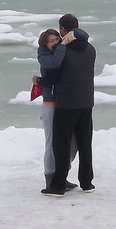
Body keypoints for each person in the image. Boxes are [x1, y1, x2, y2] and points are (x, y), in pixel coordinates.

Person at [43, 14, 97, 196]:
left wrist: (39, 81)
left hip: (66, 104)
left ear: (64, 29)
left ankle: (57, 186)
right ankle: (87, 183)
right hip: (86, 102)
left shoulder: (62, 50)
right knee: (85, 144)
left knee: (62, 145)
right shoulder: (90, 49)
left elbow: (53, 77)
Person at [33, 29, 78, 190]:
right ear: (44, 45)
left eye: (56, 39)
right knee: (52, 143)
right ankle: (50, 177)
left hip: (64, 103)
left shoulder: (60, 52)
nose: (55, 43)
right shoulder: (44, 56)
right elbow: (54, 63)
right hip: (50, 104)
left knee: (72, 142)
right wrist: (63, 45)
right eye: (50, 41)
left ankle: (62, 174)